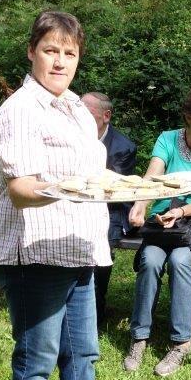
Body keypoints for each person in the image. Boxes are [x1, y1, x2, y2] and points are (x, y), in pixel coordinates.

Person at [0, 10, 136, 380]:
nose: (60, 61)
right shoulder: (18, 111)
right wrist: (72, 189)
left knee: (82, 355)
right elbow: (21, 190)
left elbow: (92, 174)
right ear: (32, 52)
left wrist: (128, 185)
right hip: (35, 252)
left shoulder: (75, 108)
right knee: (37, 359)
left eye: (69, 53)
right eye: (51, 50)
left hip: (79, 247)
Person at [124, 86, 191, 377]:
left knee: (181, 260)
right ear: (189, 117)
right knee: (150, 261)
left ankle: (182, 342)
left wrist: (180, 212)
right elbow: (152, 176)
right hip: (162, 221)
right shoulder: (168, 139)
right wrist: (140, 206)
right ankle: (139, 336)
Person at [81, 91, 137, 326]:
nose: (81, 119)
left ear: (106, 116)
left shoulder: (123, 147)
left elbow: (113, 189)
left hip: (113, 208)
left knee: (99, 244)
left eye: (88, 114)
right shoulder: (73, 139)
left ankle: (95, 310)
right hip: (80, 203)